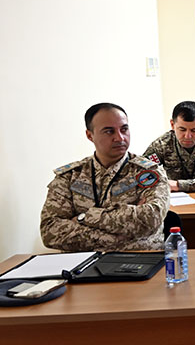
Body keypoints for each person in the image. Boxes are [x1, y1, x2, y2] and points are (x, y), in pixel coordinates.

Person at [40, 103, 170, 251]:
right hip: (82, 261)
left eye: (124, 129)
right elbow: (49, 231)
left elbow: (150, 218)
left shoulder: (148, 172)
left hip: (138, 259)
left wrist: (85, 217)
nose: (119, 137)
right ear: (90, 135)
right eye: (109, 131)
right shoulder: (70, 176)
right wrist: (120, 239)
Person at [142, 100, 195, 192]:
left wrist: (179, 185)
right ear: (172, 125)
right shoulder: (162, 144)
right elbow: (142, 175)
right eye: (182, 129)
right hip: (174, 198)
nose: (188, 136)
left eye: (194, 130)